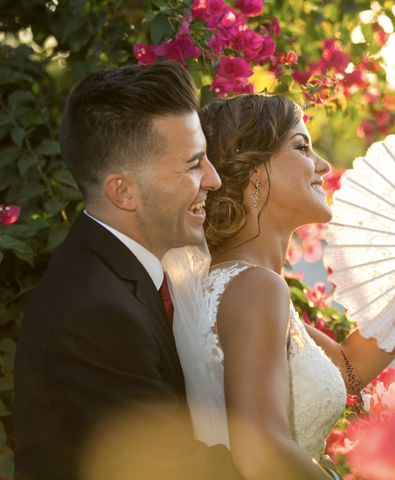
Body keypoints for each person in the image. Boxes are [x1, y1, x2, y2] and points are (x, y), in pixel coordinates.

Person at [172, 94, 395, 480]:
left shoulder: (235, 282)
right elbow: (261, 448)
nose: (324, 165)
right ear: (255, 172)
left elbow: (349, 369)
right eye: (302, 147)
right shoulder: (255, 287)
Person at [13, 62, 247, 480]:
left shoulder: (127, 276)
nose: (212, 180)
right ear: (123, 191)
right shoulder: (94, 315)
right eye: (193, 164)